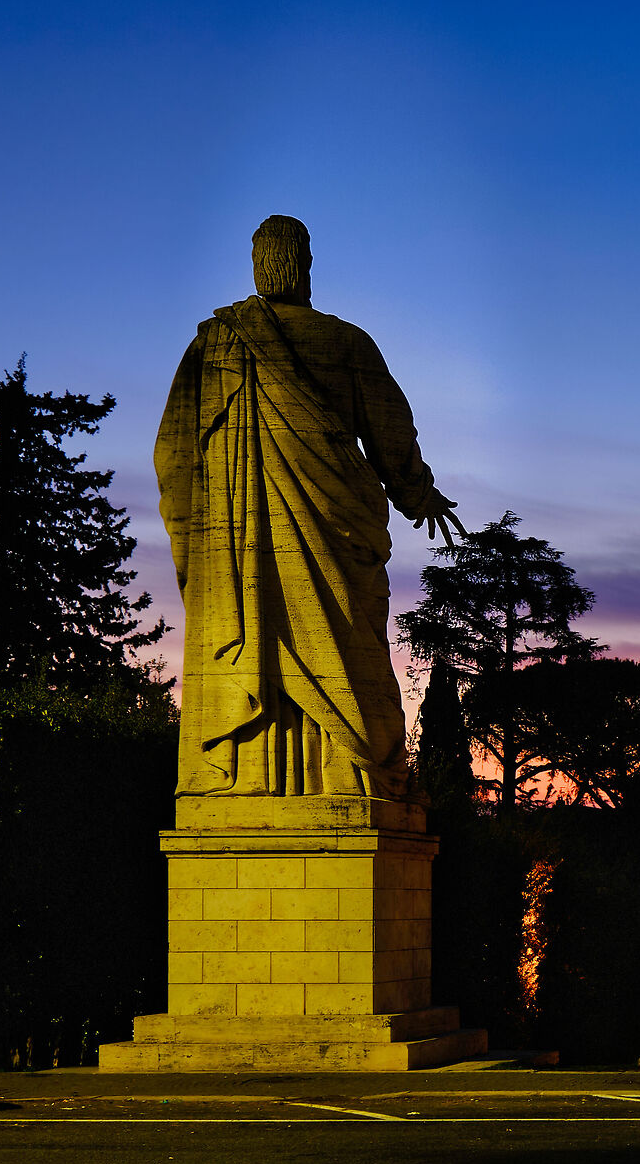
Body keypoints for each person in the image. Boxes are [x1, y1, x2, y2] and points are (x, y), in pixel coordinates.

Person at [156, 216, 464, 800]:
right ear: (306, 265)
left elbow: (173, 457)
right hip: (337, 531)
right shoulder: (345, 342)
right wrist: (420, 494)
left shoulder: (214, 347)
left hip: (239, 551)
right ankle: (353, 774)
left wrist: (197, 541)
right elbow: (392, 436)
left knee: (266, 638)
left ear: (258, 263)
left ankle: (249, 778)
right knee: (350, 649)